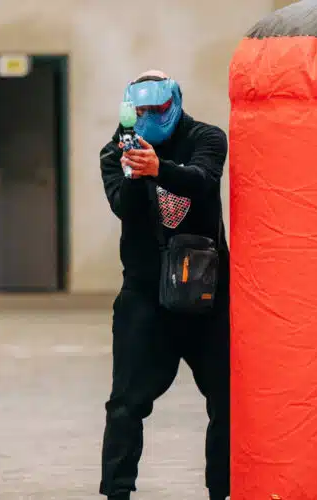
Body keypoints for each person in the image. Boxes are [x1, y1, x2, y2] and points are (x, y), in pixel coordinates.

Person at [98, 69, 230, 500]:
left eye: (158, 109)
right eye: (141, 111)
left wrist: (161, 169)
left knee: (228, 400)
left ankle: (223, 489)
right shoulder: (115, 150)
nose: (150, 117)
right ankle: (117, 491)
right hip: (145, 293)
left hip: (207, 291)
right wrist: (134, 174)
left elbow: (203, 180)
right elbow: (124, 209)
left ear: (174, 103)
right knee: (125, 404)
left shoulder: (206, 137)